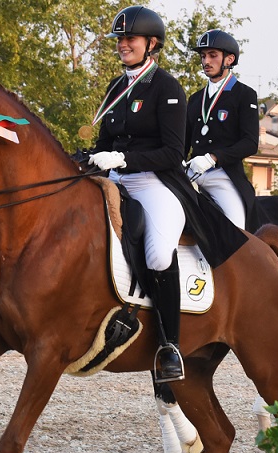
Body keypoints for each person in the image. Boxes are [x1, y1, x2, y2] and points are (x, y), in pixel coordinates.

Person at [88, 5, 191, 383]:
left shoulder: (167, 87)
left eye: (130, 39)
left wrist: (125, 158)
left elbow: (173, 153)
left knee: (159, 253)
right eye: (120, 39)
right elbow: (103, 142)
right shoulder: (116, 88)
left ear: (151, 44)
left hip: (154, 182)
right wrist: (89, 158)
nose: (123, 45)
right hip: (114, 179)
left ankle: (170, 345)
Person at [184, 29, 259, 231]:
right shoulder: (195, 99)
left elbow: (250, 142)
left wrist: (213, 157)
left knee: (237, 231)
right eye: (203, 56)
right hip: (192, 173)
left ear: (229, 59)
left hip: (222, 175)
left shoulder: (244, 95)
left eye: (212, 55)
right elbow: (183, 142)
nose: (206, 61)